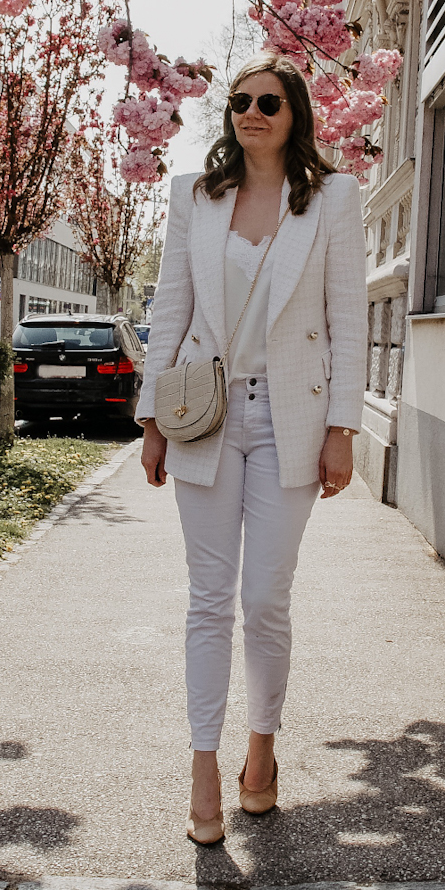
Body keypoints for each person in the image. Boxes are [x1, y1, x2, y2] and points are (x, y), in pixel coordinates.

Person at [137, 53, 369, 845]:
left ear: (295, 113)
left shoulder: (334, 199)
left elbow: (347, 319)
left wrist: (343, 429)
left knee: (265, 597)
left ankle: (259, 752)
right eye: (239, 101)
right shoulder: (194, 197)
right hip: (206, 417)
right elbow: (169, 307)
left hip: (290, 422)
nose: (251, 112)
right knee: (208, 599)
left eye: (268, 101)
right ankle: (202, 768)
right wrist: (150, 421)